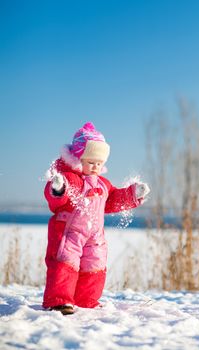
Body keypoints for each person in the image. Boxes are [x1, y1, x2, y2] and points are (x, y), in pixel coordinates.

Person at [42, 122, 150, 315]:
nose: (95, 167)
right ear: (78, 159)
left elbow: (114, 199)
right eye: (91, 162)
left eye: (99, 163)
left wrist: (134, 194)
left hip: (94, 234)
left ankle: (85, 300)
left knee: (95, 265)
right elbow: (57, 199)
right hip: (69, 232)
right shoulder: (71, 178)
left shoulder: (102, 183)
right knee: (65, 262)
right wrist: (58, 188)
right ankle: (59, 301)